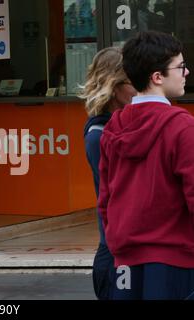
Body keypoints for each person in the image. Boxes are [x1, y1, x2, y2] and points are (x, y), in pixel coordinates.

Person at [99, 31, 194, 300]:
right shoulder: (182, 127)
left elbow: (105, 199)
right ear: (157, 77)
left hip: (124, 261)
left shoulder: (113, 127)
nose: (186, 73)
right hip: (175, 260)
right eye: (180, 67)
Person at [79, 47, 137, 300]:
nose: (141, 87)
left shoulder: (125, 126)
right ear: (114, 86)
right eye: (134, 80)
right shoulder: (99, 136)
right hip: (116, 256)